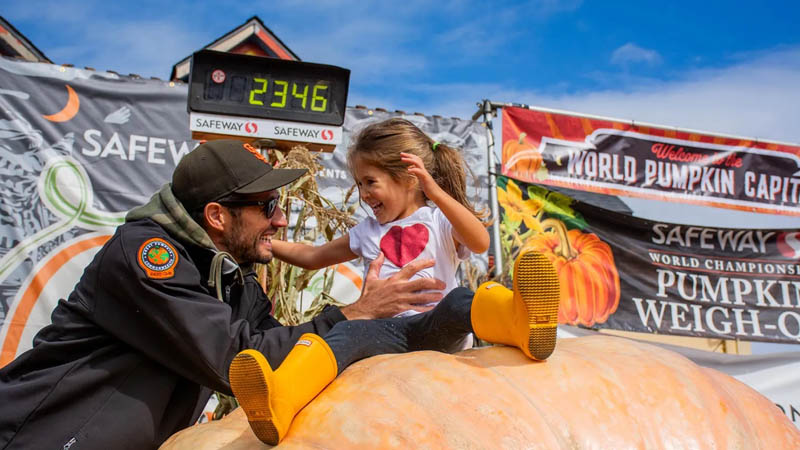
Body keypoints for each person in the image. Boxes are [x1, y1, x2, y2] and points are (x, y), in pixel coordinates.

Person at [0, 139, 451, 449]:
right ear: (217, 216)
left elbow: (284, 354)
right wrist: (354, 314)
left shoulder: (234, 275)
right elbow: (239, 359)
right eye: (268, 206)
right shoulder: (145, 255)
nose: (280, 221)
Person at [272, 118, 490, 321]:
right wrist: (265, 243)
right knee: (343, 329)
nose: (363, 194)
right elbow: (312, 256)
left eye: (370, 182)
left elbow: (480, 243)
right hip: (386, 333)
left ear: (410, 178)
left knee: (461, 300)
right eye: (359, 184)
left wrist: (437, 194)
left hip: (435, 328)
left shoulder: (440, 221)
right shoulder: (368, 232)